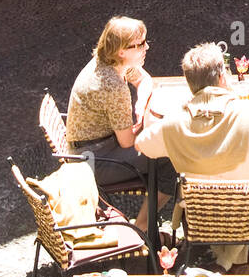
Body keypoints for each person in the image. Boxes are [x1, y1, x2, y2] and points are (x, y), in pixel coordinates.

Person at [136, 42, 249, 273]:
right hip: (245, 214)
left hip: (200, 214)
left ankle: (221, 260)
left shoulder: (174, 122)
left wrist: (153, 121)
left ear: (189, 82)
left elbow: (143, 146)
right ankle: (229, 263)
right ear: (223, 77)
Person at [66, 16, 174, 230]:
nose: (147, 47)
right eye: (141, 44)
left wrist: (141, 104)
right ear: (122, 50)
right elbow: (127, 142)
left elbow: (145, 80)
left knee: (164, 144)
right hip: (94, 161)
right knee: (171, 155)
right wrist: (148, 125)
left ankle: (147, 223)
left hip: (94, 147)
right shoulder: (112, 84)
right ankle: (142, 227)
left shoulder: (112, 61)